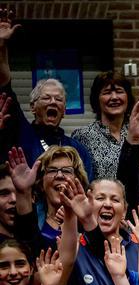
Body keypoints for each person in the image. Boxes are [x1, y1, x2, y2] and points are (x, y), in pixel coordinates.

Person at [0, 8, 94, 178]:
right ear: (33, 107)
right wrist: (1, 47)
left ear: (64, 110)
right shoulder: (21, 135)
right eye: (46, 97)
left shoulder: (77, 149)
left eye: (59, 99)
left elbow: (87, 189)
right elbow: (4, 84)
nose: (53, 102)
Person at [71, 71, 134, 181]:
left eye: (119, 91)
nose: (114, 97)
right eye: (107, 92)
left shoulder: (137, 132)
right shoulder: (83, 136)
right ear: (97, 99)